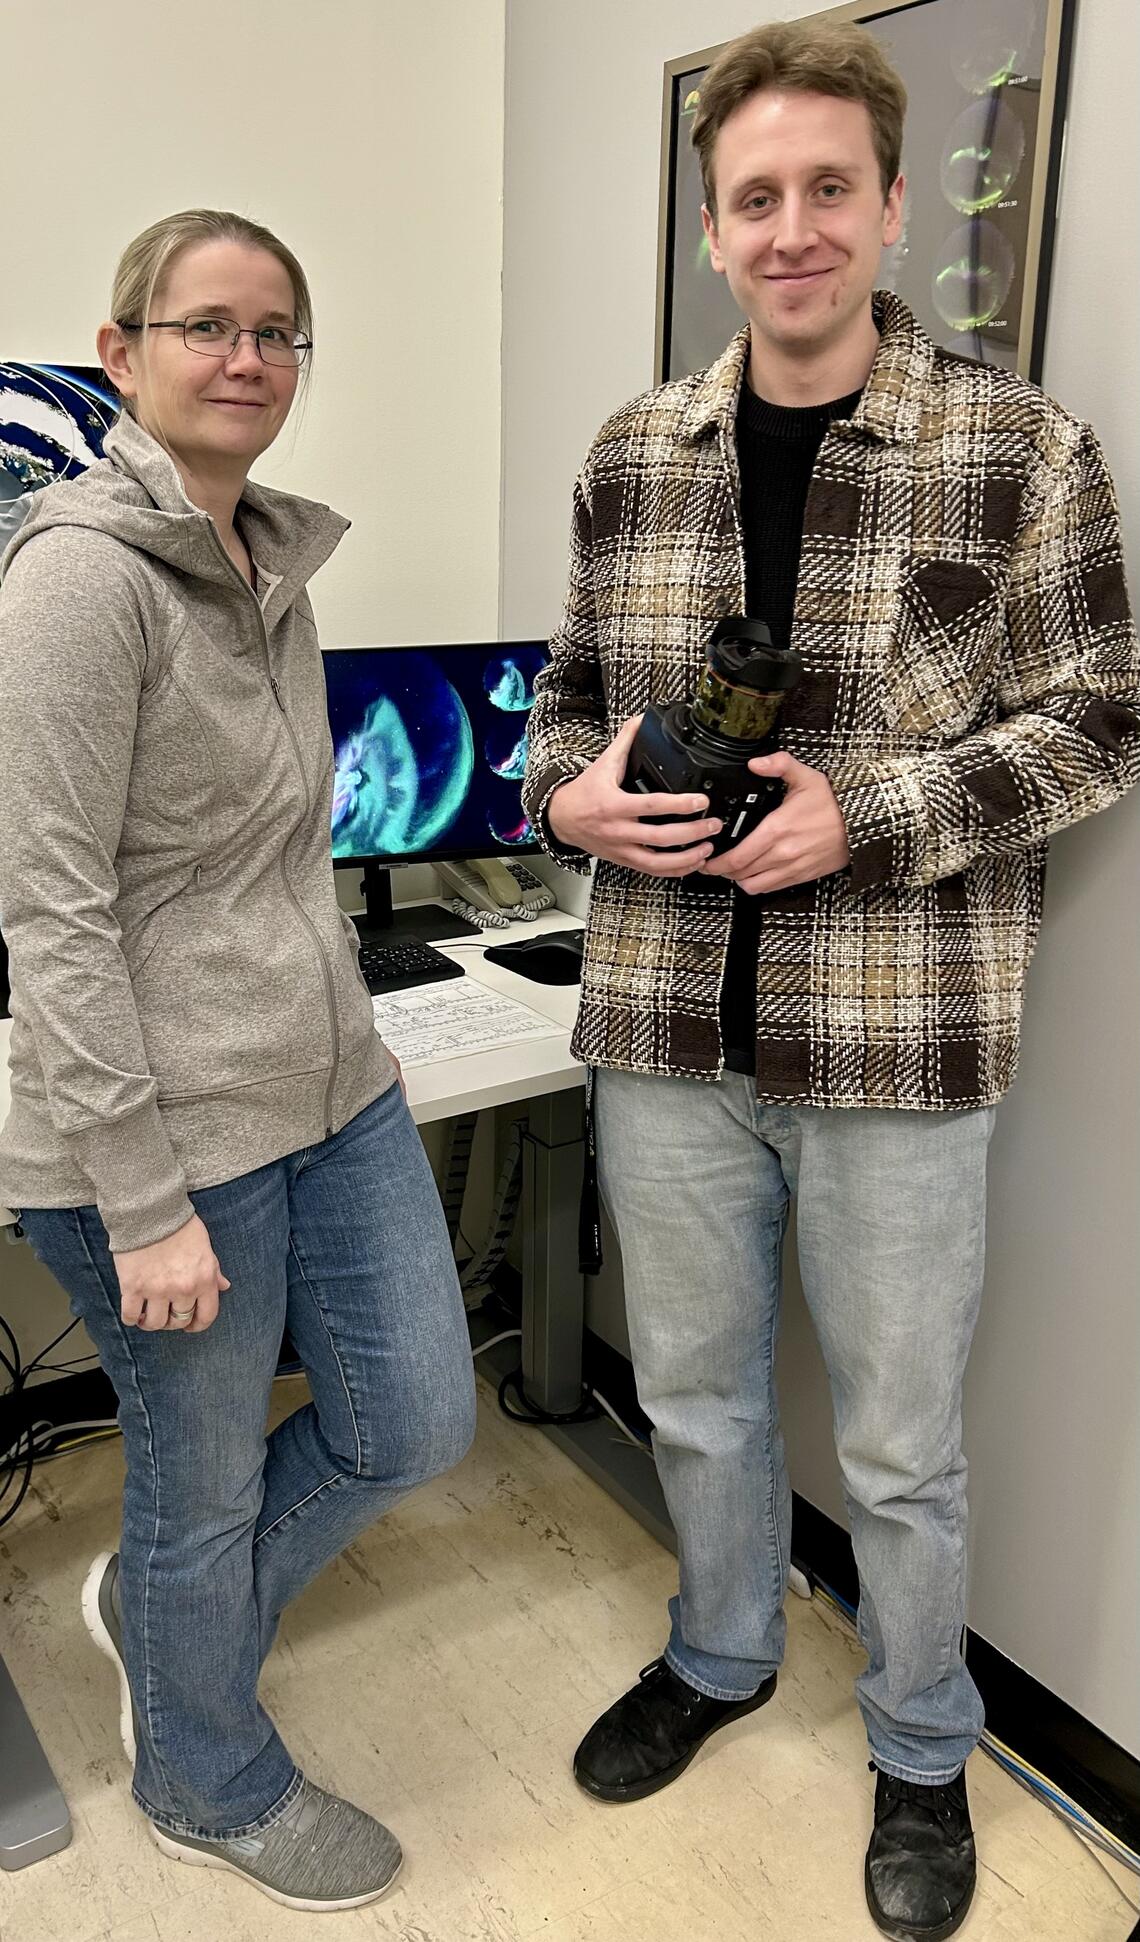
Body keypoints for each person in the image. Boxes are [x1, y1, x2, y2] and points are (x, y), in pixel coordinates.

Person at [522, 21, 1139, 1939]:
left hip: (897, 1037)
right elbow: (555, 717)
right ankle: (718, 1654)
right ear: (717, 231)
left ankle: (925, 1742)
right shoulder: (634, 453)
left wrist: (864, 813)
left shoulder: (1021, 447)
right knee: (695, 1394)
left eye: (826, 192)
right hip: (660, 1030)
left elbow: (1105, 716)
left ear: (888, 208)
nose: (791, 230)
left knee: (897, 1440)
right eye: (754, 198)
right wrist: (575, 803)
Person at [0, 208, 476, 1912]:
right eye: (207, 326)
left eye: (277, 332)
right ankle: (203, 1768)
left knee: (415, 1418)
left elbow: (268, 867)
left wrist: (360, 1045)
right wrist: (141, 1204)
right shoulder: (74, 581)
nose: (248, 359)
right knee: (194, 1486)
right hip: (162, 1136)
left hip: (325, 1092)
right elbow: (51, 916)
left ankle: (157, 1616)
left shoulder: (268, 559)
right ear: (121, 353)